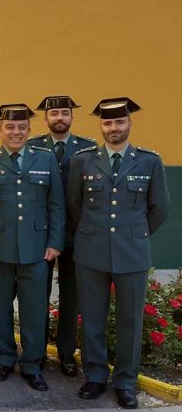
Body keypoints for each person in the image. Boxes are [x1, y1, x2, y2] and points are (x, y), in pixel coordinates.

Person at [68, 98, 169, 409]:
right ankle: (95, 377)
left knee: (130, 321)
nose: (114, 128)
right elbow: (75, 206)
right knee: (93, 318)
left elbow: (160, 209)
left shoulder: (149, 161)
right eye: (108, 123)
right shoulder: (83, 161)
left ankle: (126, 382)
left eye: (119, 123)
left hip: (132, 253)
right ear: (102, 126)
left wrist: (134, 234)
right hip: (91, 251)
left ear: (129, 124)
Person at [0, 104, 64, 392]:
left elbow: (56, 204)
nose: (16, 132)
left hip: (36, 249)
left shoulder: (45, 160)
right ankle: (6, 358)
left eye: (22, 127)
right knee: (1, 308)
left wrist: (55, 242)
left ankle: (32, 364)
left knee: (34, 309)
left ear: (29, 131)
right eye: (10, 127)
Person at [28, 95, 96, 375]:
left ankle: (67, 353)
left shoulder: (87, 148)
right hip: (40, 233)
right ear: (45, 118)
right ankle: (38, 351)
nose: (59, 117)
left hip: (75, 232)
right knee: (37, 295)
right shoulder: (33, 147)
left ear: (72, 117)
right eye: (54, 113)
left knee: (71, 296)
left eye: (64, 113)